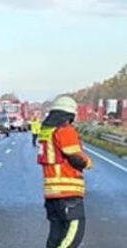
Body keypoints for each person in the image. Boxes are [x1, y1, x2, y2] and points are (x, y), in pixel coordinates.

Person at [36, 95, 92, 248]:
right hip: (68, 194)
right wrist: (87, 162)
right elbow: (75, 158)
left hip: (51, 194)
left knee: (56, 236)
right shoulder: (65, 130)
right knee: (73, 236)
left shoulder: (46, 132)